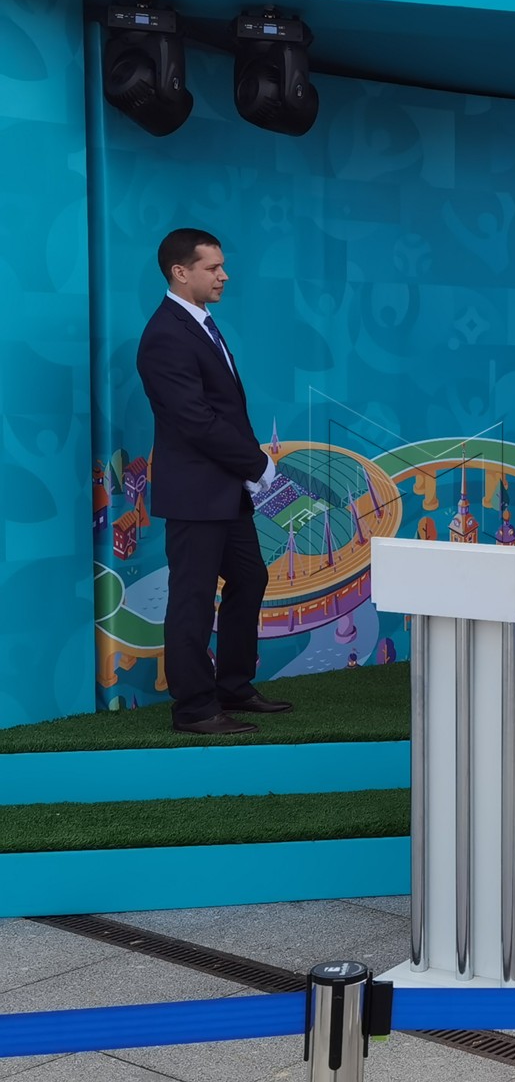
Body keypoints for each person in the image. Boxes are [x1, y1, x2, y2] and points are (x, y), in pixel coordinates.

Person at [135, 229, 290, 735]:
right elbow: (195, 421)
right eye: (213, 267)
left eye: (222, 266)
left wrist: (245, 471)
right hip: (197, 494)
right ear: (181, 272)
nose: (224, 275)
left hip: (225, 489)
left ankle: (234, 686)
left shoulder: (200, 324)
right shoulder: (165, 335)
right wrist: (257, 466)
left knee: (250, 578)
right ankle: (195, 709)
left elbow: (221, 410)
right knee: (193, 598)